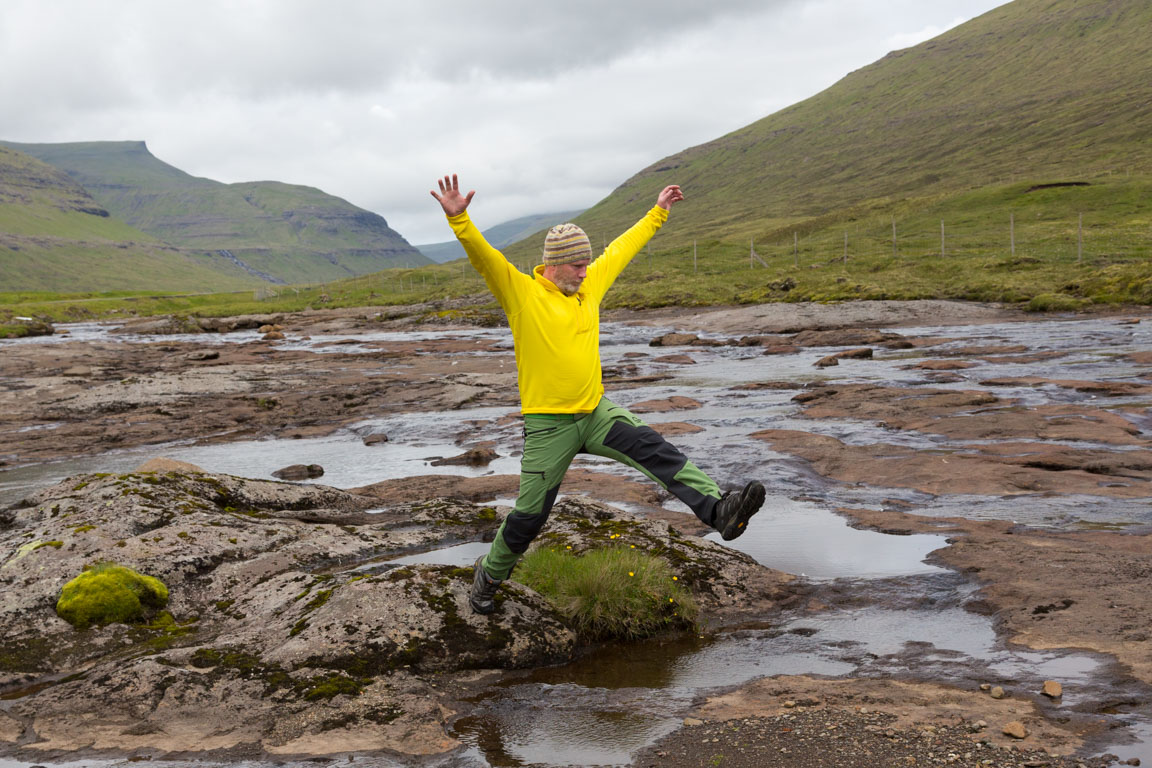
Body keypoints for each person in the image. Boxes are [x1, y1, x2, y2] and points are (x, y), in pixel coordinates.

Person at [430, 173, 766, 614]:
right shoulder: (523, 295)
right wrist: (461, 221)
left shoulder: (588, 288)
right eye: (577, 266)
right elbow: (485, 259)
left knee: (656, 450)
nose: (586, 272)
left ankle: (719, 511)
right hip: (549, 427)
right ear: (553, 264)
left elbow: (622, 249)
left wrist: (658, 211)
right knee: (529, 519)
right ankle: (490, 574)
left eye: (587, 264)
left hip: (596, 413)